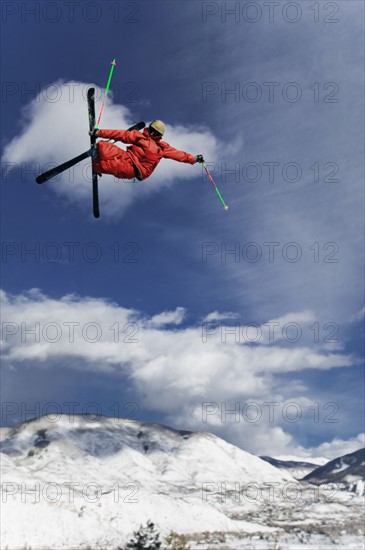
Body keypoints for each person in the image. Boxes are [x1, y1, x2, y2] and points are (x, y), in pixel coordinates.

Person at [89, 120, 204, 181]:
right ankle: (97, 154)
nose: (153, 133)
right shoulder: (139, 136)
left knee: (108, 165)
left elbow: (179, 155)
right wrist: (99, 132)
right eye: (152, 130)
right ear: (150, 128)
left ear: (159, 135)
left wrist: (194, 159)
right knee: (103, 146)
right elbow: (121, 134)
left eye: (156, 133)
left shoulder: (162, 148)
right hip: (127, 156)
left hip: (134, 169)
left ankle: (97, 166)